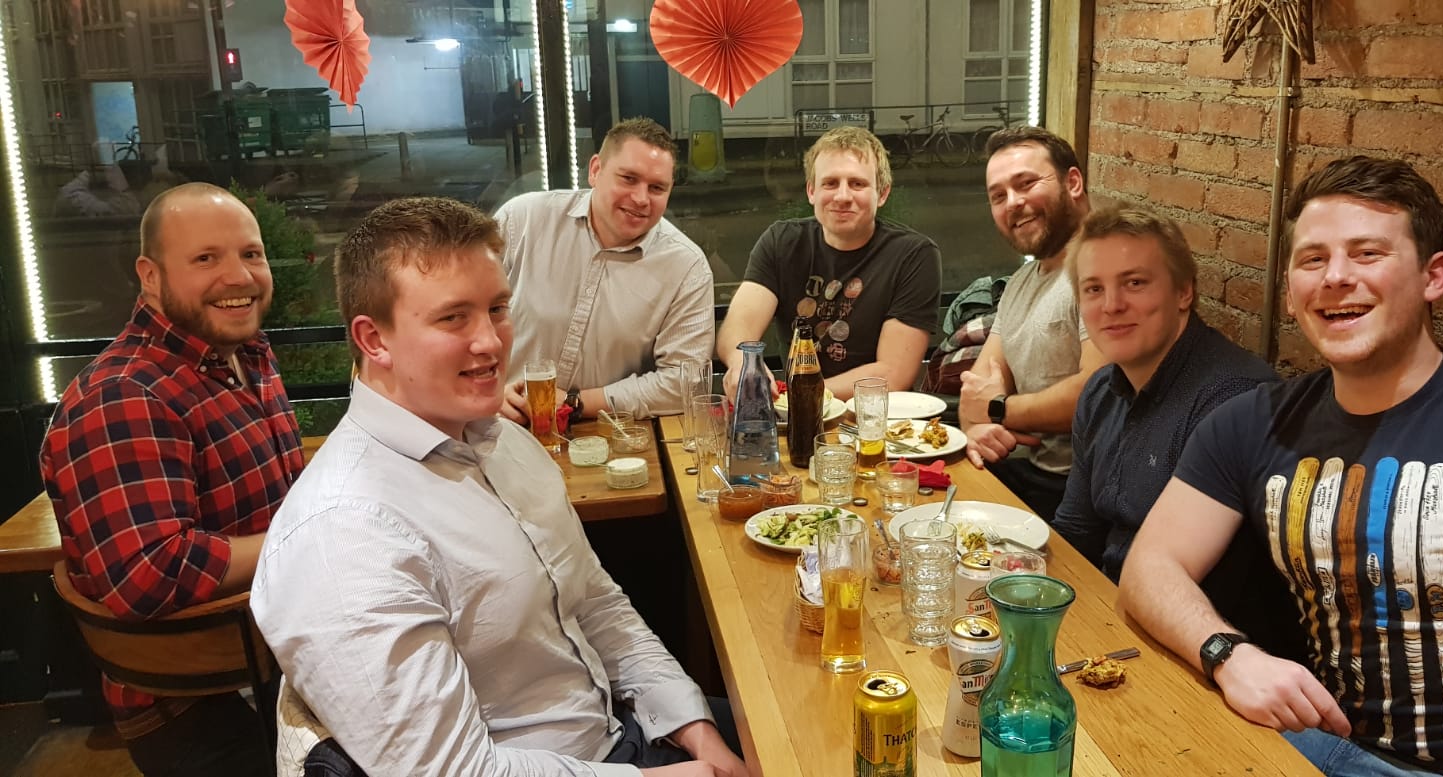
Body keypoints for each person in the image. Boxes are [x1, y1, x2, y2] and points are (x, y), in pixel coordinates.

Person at [1119, 156, 1443, 777]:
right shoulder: (1250, 423)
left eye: (1368, 254)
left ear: (1434, 276)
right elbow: (1149, 567)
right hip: (1309, 744)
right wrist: (1228, 654)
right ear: (1289, 290)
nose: (1336, 277)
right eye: (1312, 259)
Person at [251, 197, 747, 777]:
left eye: (497, 308)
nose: (490, 342)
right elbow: (450, 772)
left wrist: (695, 728)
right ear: (374, 339)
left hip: (619, 730)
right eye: (453, 318)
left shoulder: (508, 443)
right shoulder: (344, 533)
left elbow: (596, 603)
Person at [40, 181, 303, 777]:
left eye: (251, 254)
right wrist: (310, 537)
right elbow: (150, 574)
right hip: (203, 700)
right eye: (206, 258)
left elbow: (281, 490)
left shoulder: (245, 354)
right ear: (150, 276)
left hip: (277, 652)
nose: (239, 276)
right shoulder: (123, 396)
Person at [1050, 201, 1298, 658]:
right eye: (1093, 289)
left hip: (1204, 653)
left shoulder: (1234, 400)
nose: (1112, 305)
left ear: (1184, 292)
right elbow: (1076, 532)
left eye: (1135, 283)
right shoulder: (1101, 391)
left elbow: (1220, 592)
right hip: (1114, 619)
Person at [496, 117, 713, 422]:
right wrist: (488, 391)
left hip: (608, 431)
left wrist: (574, 403)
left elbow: (683, 382)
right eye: (628, 178)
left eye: (656, 188)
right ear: (595, 170)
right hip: (502, 423)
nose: (641, 199)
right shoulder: (522, 220)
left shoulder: (686, 267)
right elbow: (460, 321)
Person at [717, 125, 941, 400]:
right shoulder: (781, 241)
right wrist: (743, 362)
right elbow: (739, 324)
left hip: (874, 414)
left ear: (882, 194)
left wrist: (800, 395)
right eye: (830, 183)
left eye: (857, 184)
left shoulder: (913, 255)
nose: (843, 196)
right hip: (795, 413)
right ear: (811, 191)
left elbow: (893, 373)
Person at [958, 126, 1108, 518]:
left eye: (1026, 184)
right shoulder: (1023, 280)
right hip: (1028, 472)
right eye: (998, 196)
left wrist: (998, 410)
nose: (1013, 203)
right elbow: (976, 389)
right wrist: (976, 429)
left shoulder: (1104, 267)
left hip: (1084, 491)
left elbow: (1096, 393)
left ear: (1072, 182)